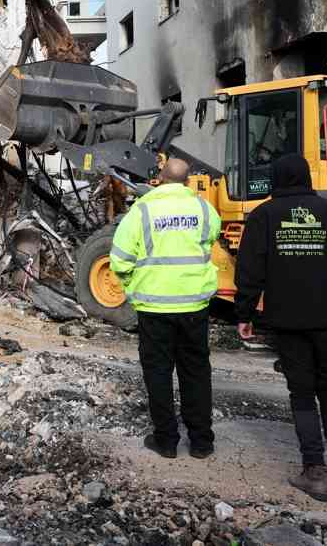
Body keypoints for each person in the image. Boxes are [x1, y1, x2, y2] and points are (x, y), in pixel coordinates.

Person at [235, 154, 327, 501]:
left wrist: (244, 314)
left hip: (288, 321)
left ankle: (315, 471)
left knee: (302, 393)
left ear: (276, 178)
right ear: (307, 177)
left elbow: (250, 271)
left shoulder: (264, 215)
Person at [110, 158, 222, 459]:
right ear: (188, 180)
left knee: (158, 373)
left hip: (154, 306)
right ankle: (201, 442)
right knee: (196, 372)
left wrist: (133, 286)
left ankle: (167, 441)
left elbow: (119, 260)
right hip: (194, 306)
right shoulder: (203, 209)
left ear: (160, 177)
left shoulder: (142, 210)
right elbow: (212, 237)